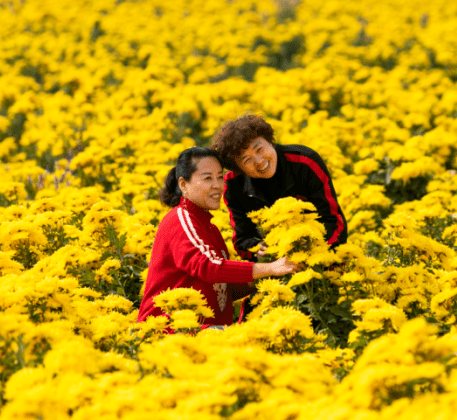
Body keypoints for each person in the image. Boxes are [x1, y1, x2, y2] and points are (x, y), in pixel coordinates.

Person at [137, 147, 299, 328]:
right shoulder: (181, 219)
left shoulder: (210, 228)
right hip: (169, 333)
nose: (217, 185)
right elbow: (207, 267)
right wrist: (269, 268)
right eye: (207, 178)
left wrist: (264, 273)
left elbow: (222, 290)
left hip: (203, 332)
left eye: (220, 177)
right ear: (183, 185)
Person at [212, 114, 348, 260]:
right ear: (238, 168)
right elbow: (242, 240)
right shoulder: (233, 185)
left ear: (270, 141)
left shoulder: (305, 162)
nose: (259, 161)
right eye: (247, 160)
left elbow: (335, 222)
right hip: (274, 266)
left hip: (321, 255)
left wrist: (311, 245)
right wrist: (259, 251)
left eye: (259, 149)